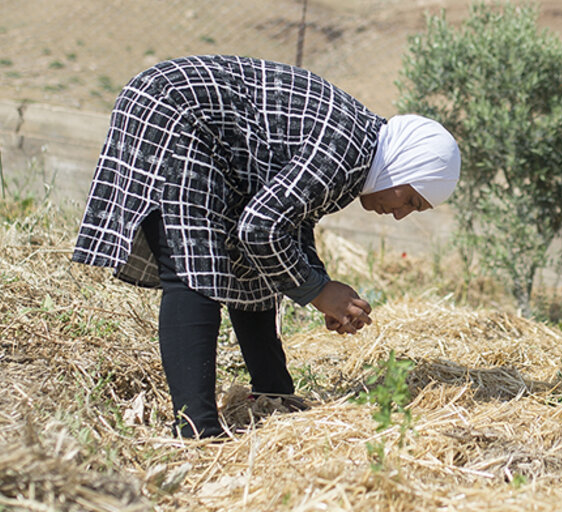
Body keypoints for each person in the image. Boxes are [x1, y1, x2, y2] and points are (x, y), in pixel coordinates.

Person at [72, 55, 460, 439]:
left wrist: (318, 286)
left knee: (249, 266)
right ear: (403, 168)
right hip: (179, 111)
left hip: (193, 117)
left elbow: (286, 223)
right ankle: (197, 431)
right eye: (411, 200)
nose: (401, 215)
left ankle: (274, 393)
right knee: (194, 268)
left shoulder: (358, 151)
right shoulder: (349, 150)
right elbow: (260, 227)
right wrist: (318, 292)